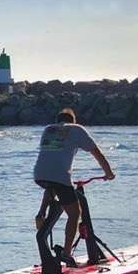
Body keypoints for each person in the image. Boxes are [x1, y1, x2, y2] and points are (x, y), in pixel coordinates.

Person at [33, 108, 115, 261]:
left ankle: (41, 212)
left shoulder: (48, 129)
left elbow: (53, 156)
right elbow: (97, 153)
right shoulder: (76, 129)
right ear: (73, 121)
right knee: (75, 213)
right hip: (59, 176)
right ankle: (67, 253)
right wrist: (108, 173)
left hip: (39, 174)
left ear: (58, 121)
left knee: (53, 187)